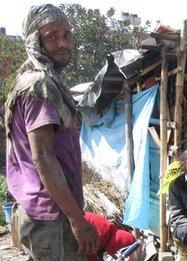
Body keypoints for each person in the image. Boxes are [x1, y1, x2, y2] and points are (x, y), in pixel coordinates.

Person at [4, 4, 98, 260]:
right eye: (52, 36)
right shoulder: (40, 85)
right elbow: (43, 156)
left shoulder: (35, 80)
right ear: (35, 40)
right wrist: (77, 220)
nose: (63, 43)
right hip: (52, 217)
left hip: (40, 212)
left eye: (67, 35)